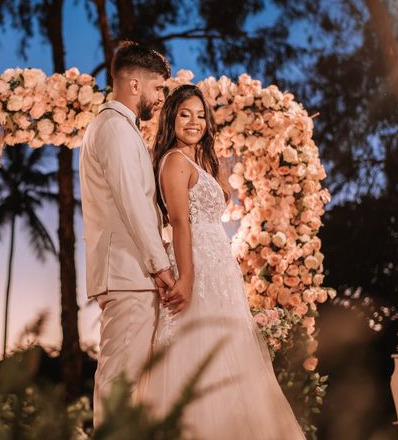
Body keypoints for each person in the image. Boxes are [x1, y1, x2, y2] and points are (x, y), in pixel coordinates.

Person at [144, 84, 306, 439]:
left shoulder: (198, 159)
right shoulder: (173, 160)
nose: (194, 122)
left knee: (231, 355)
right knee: (201, 353)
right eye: (185, 114)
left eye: (200, 115)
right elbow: (181, 222)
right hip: (196, 266)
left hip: (219, 268)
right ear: (171, 117)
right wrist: (185, 277)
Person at [79, 41, 176, 426]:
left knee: (130, 384)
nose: (159, 97)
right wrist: (161, 266)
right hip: (128, 273)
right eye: (158, 88)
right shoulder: (115, 129)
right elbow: (133, 204)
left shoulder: (118, 128)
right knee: (120, 381)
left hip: (129, 274)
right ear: (134, 84)